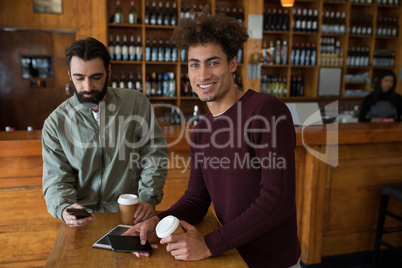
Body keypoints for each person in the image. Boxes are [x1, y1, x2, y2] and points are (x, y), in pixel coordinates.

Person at [124, 8, 301, 268]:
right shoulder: (202, 130)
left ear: (232, 63)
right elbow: (197, 200)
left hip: (270, 261)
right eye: (194, 64)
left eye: (213, 62)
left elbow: (276, 201)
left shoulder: (266, 111)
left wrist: (209, 244)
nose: (203, 75)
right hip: (229, 256)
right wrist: (156, 221)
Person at [42, 37, 168, 228]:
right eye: (79, 78)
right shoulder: (55, 123)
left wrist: (148, 197)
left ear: (108, 71)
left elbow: (154, 155)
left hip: (130, 215)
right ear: (69, 75)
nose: (88, 87)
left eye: (96, 77)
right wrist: (64, 207)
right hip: (82, 219)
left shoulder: (136, 104)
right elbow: (57, 178)